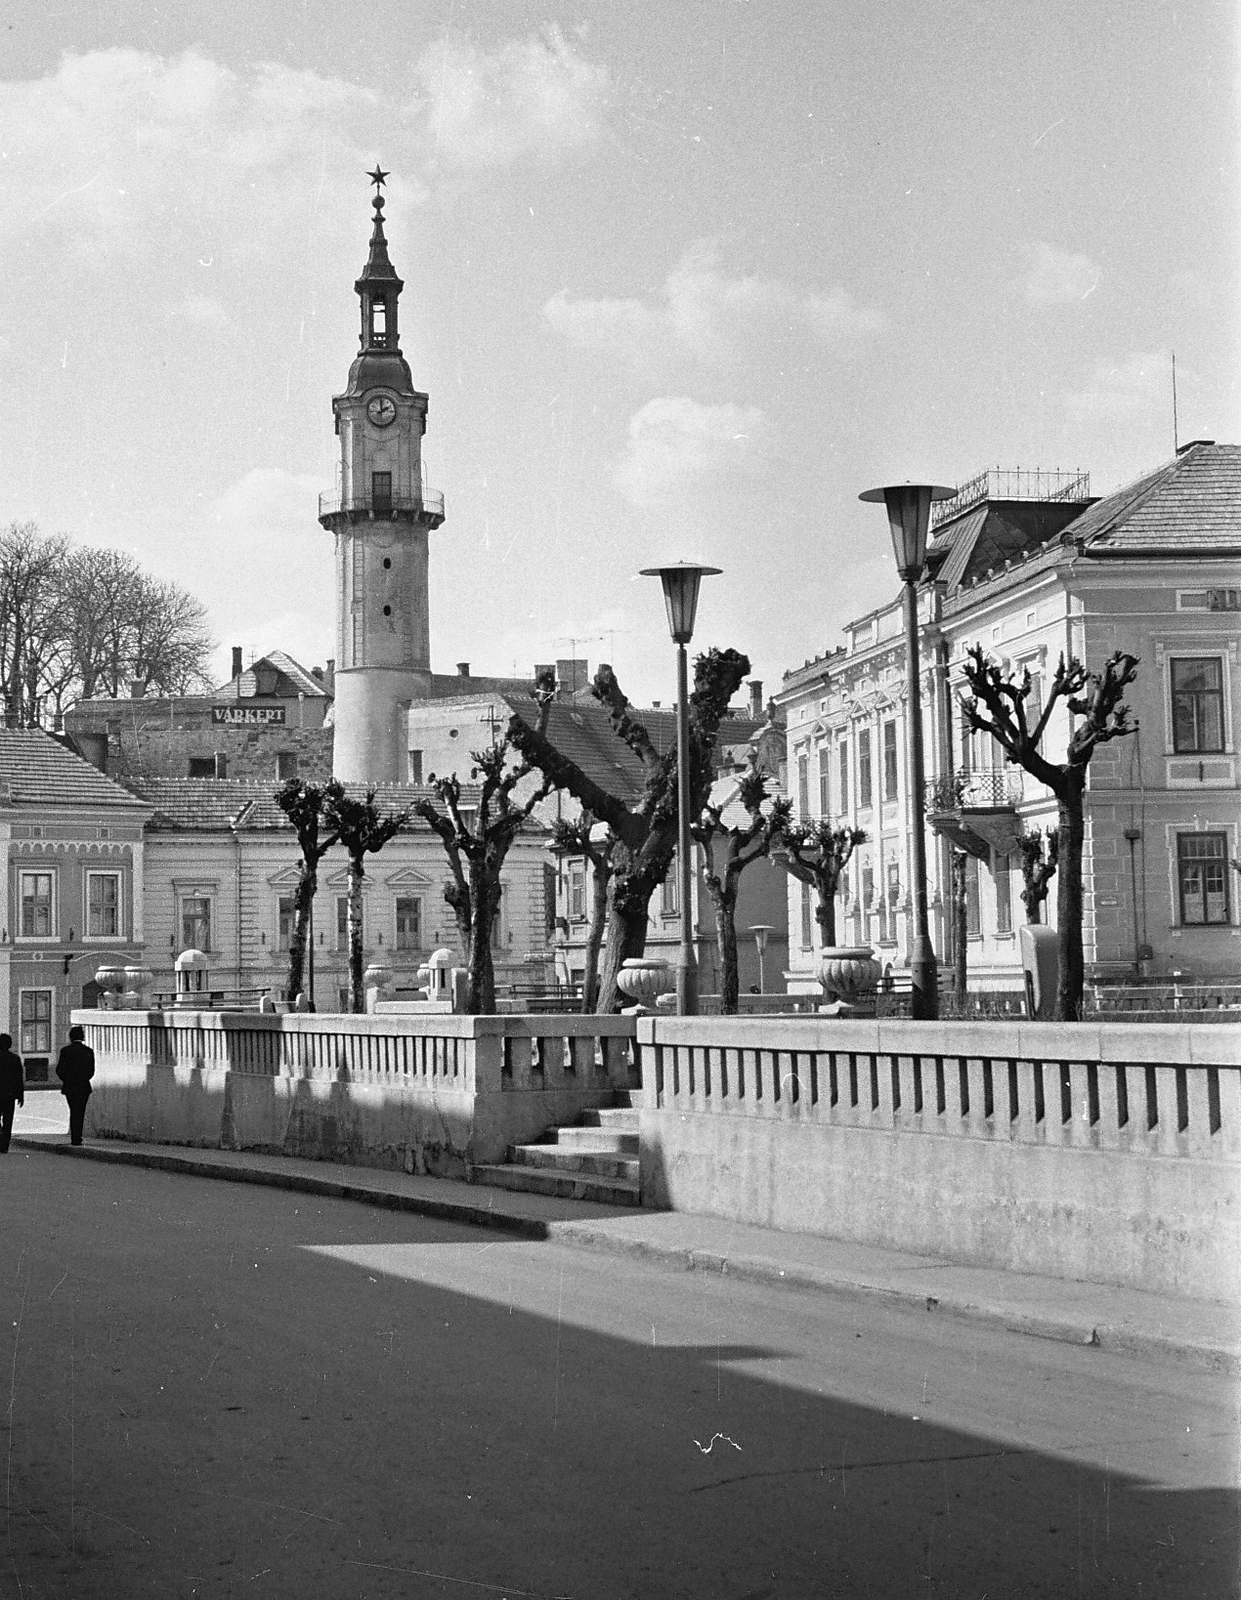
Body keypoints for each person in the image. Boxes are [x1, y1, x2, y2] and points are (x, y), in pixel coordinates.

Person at [55, 1024, 95, 1146]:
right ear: (82, 1037)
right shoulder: (88, 1051)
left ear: (71, 1037)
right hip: (83, 1085)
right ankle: (77, 1136)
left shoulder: (65, 1051)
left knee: (73, 1110)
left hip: (70, 1086)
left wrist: (67, 1079)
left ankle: (74, 1137)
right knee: (80, 1111)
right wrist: (83, 1078)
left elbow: (59, 1070)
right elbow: (91, 1071)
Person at [0, 1033, 23, 1153]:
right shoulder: (15, 1059)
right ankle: (4, 1145)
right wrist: (21, 1096)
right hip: (9, 1095)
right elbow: (19, 1079)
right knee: (8, 1121)